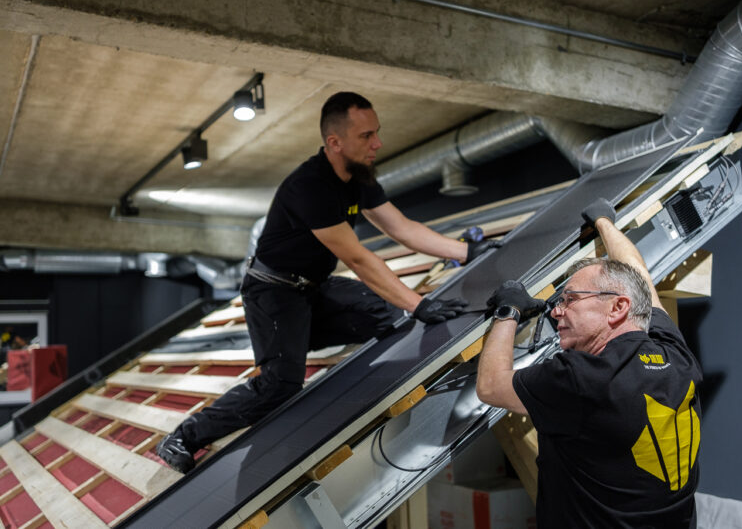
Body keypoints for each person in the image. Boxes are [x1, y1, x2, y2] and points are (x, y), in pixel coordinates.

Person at [157, 92, 499, 473]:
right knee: (280, 385)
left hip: (312, 288)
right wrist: (418, 304)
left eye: (376, 133)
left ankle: (294, 340)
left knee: (382, 314)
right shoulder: (310, 185)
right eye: (366, 136)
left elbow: (400, 227)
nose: (377, 144)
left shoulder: (358, 177)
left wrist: (469, 252)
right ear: (335, 143)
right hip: (273, 292)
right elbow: (357, 257)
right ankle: (184, 437)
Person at [477, 198, 702, 528]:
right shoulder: (675, 357)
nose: (556, 311)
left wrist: (508, 311)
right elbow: (640, 281)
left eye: (569, 300)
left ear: (617, 308)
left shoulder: (582, 379)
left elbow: (491, 386)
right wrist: (604, 223)